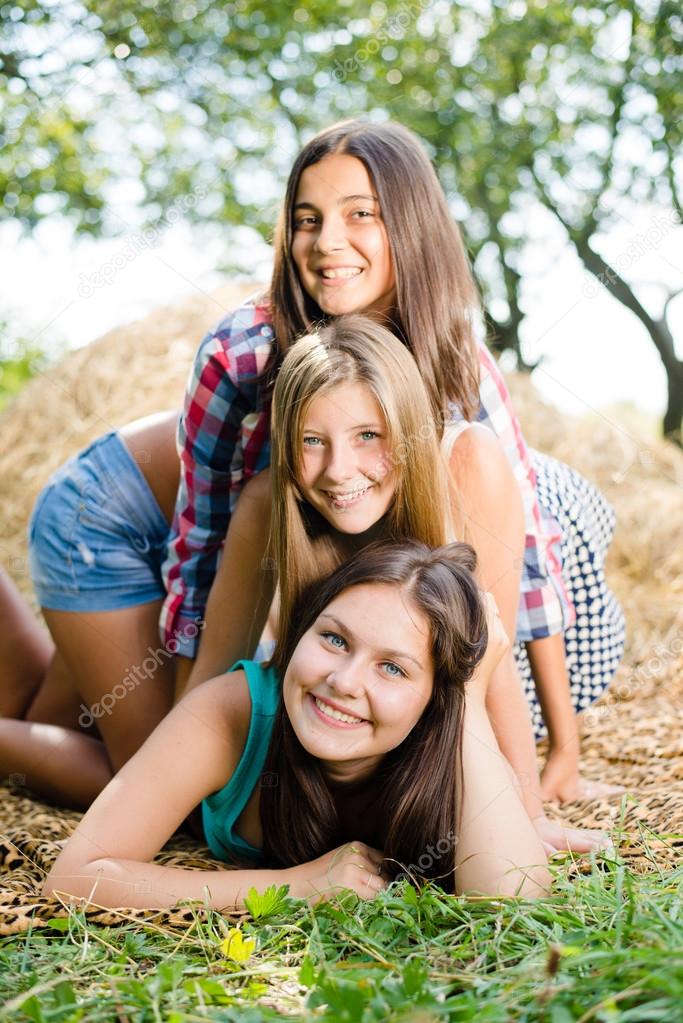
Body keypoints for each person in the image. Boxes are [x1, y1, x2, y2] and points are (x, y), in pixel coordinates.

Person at [4, 119, 622, 841]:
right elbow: (202, 546)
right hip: (111, 512)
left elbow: (514, 573)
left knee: (60, 723)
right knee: (156, 780)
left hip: (214, 529)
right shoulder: (243, 350)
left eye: (360, 214)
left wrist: (555, 763)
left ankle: (32, 714)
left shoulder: (459, 369)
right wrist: (188, 736)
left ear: (412, 226)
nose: (327, 241)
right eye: (307, 219)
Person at [42, 539, 551, 908]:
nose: (344, 681)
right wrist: (296, 886)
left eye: (393, 667)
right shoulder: (232, 710)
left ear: (437, 700)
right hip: (178, 760)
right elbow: (74, 877)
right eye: (334, 639)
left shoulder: (452, 739)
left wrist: (469, 695)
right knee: (81, 753)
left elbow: (514, 899)